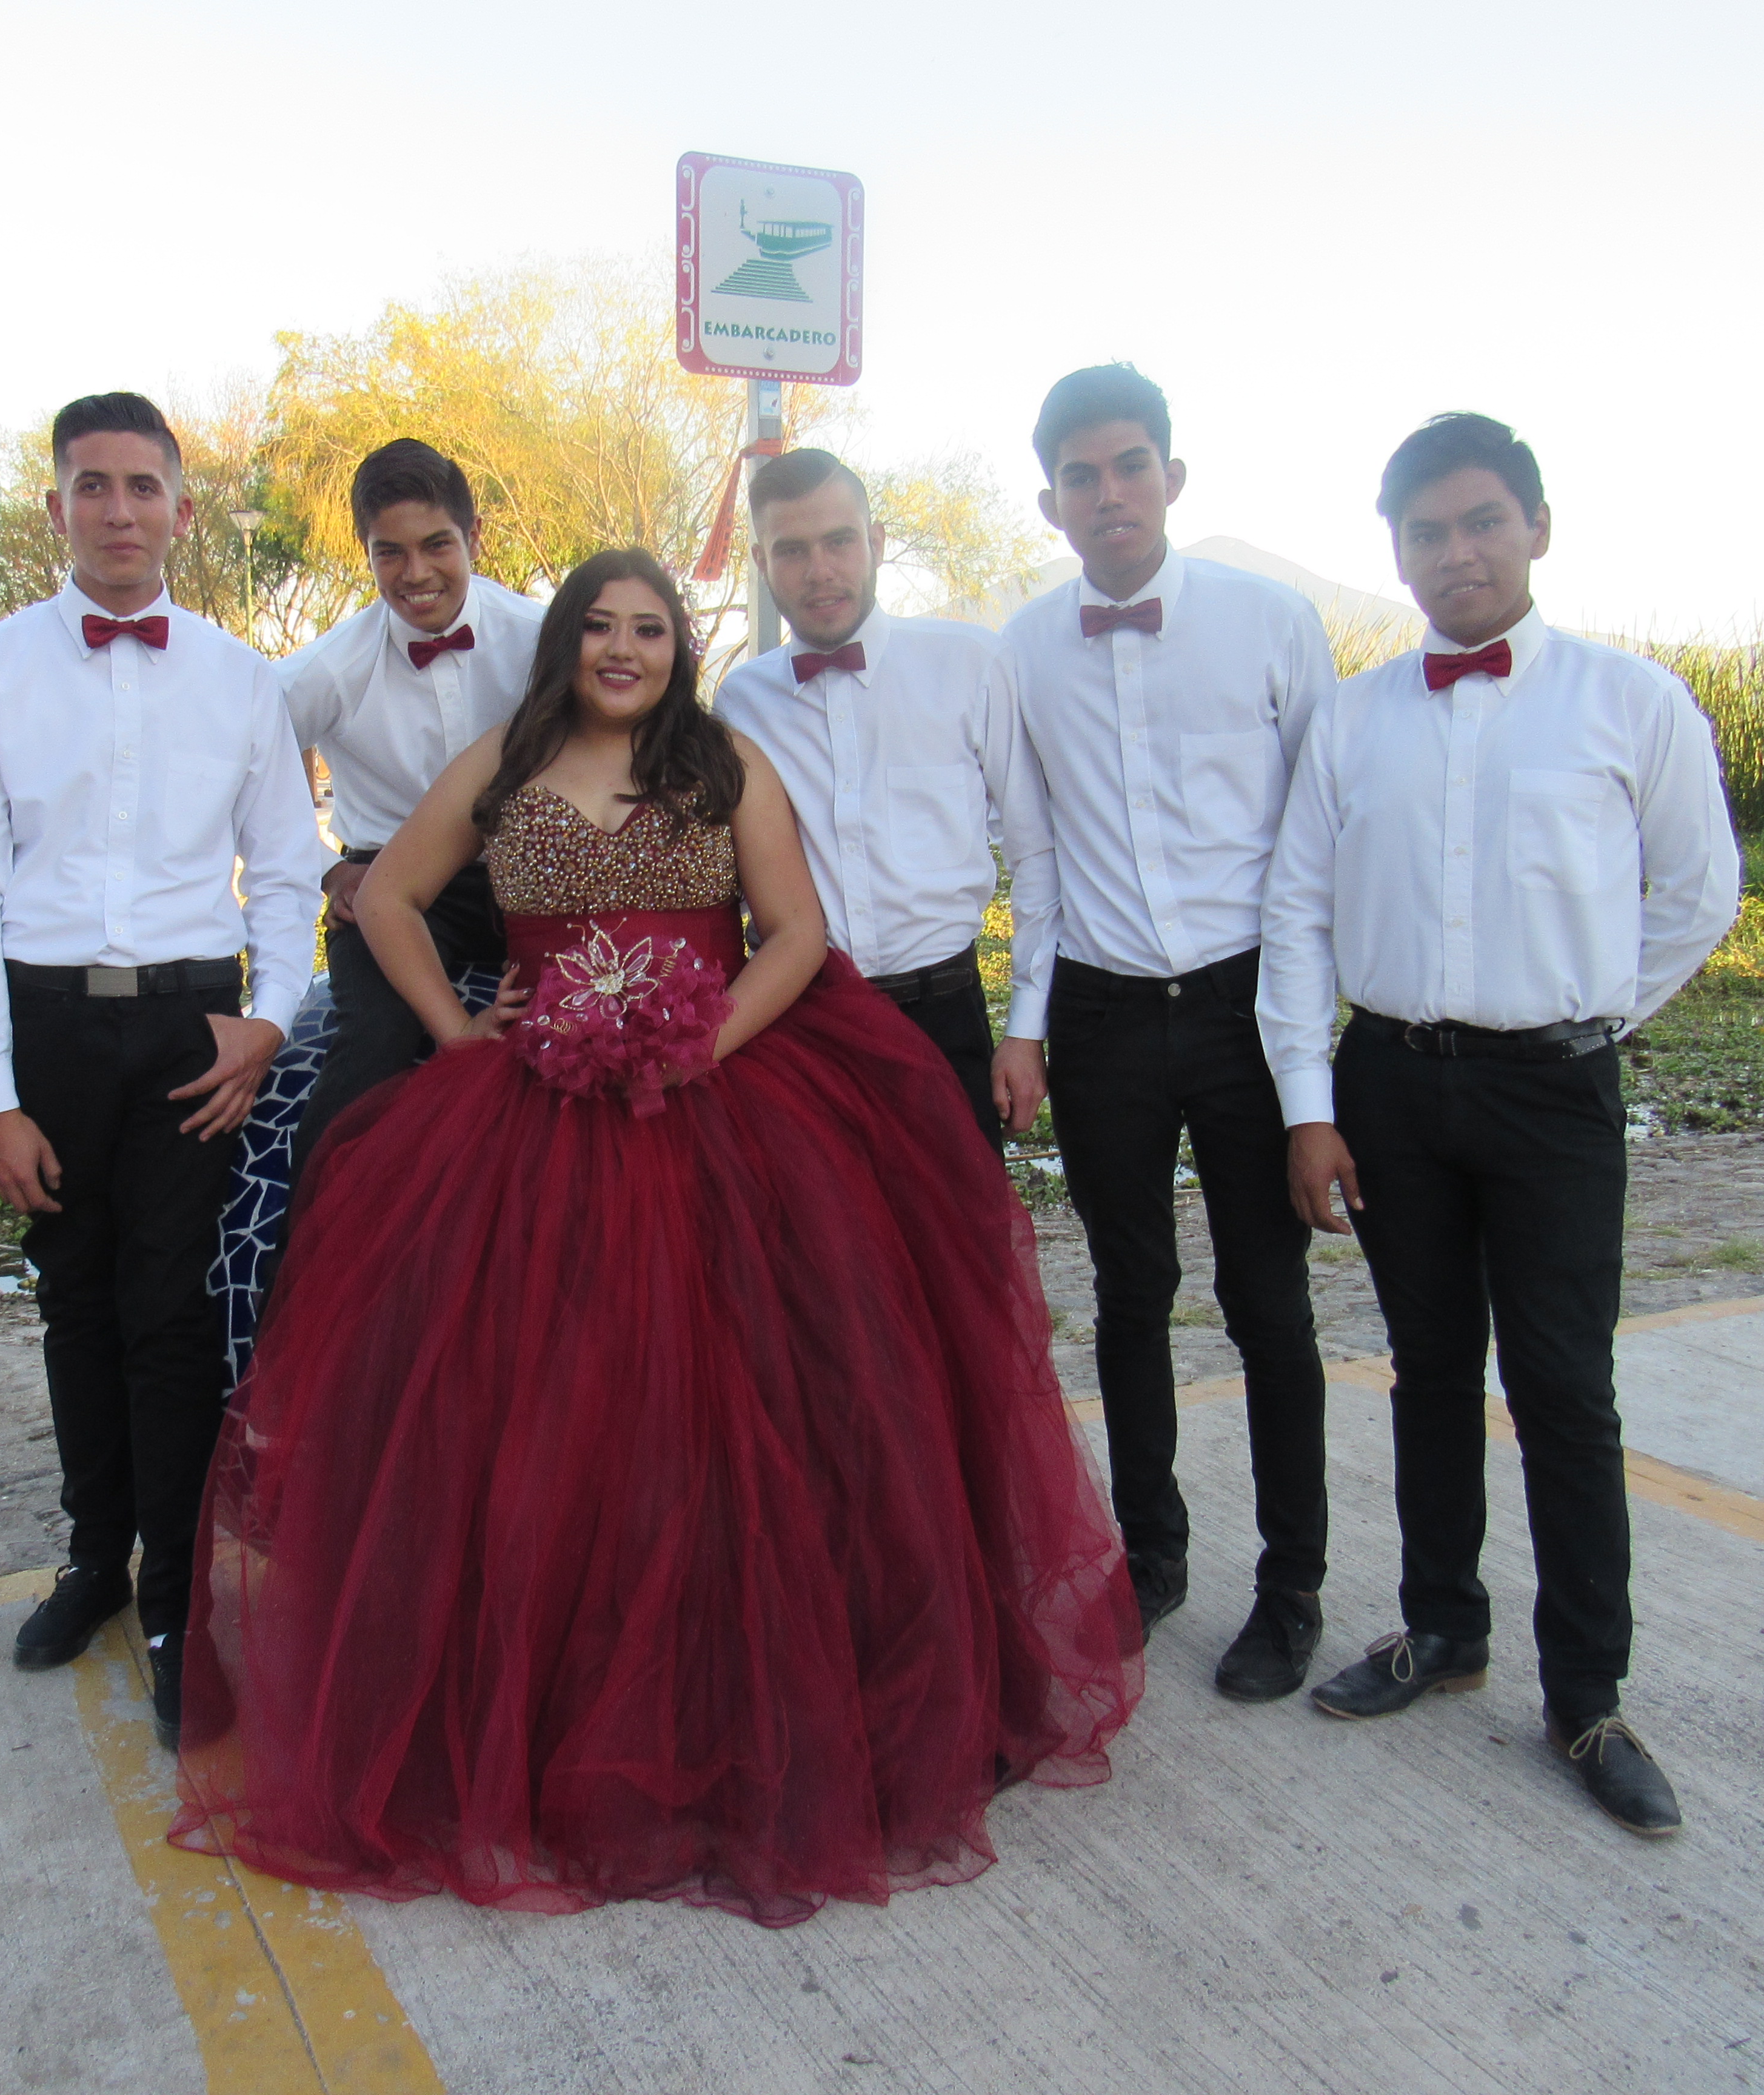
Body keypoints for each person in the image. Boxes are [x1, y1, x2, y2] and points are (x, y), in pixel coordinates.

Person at [173, 549, 1140, 1926]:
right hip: (533, 1116)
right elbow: (385, 895)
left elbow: (795, 932)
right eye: (599, 626)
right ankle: (548, 1716)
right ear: (563, 639)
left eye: (650, 628)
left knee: (751, 1414)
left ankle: (749, 1707)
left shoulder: (726, 763)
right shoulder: (502, 768)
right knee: (546, 1416)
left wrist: (697, 1040)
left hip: (727, 1108)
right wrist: (457, 1035)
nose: (622, 648)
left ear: (678, 649)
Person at [1260, 412, 1740, 1835]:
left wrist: (1587, 1016)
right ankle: (1441, 1628)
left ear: (1535, 524)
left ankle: (1586, 1696)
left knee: (1565, 1391)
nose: (1454, 552)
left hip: (1554, 1090)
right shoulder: (1353, 716)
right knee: (1426, 1372)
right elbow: (1295, 914)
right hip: (1393, 1082)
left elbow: (1694, 892)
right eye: (1425, 531)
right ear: (1396, 550)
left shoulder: (1629, 702)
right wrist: (1309, 1107)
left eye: (1480, 521)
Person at [0, 393, 325, 1747]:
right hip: (42, 1030)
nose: (117, 511)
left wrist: (270, 1019)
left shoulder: (240, 679)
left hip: (190, 1034)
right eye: (91, 486)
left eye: (142, 486)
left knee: (169, 1315)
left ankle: (173, 1598)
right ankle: (95, 1559)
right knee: (73, 1304)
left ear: (180, 511)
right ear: (56, 507)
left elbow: (289, 870)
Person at [1000, 365, 1337, 1698]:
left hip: (1247, 1006)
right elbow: (1030, 848)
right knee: (1131, 1298)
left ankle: (1294, 1584)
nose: (1109, 493)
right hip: (1102, 1015)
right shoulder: (1021, 648)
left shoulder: (1271, 623)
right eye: (1081, 476)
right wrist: (1026, 1025)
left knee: (1269, 1301)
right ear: (1051, 502)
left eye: (1130, 465)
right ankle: (1149, 1557)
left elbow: (1319, 842)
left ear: (1173, 478)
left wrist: (1314, 1042)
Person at [713, 448, 1052, 1151]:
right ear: (759, 559)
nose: (820, 571)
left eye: (839, 541)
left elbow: (1036, 854)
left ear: (876, 543)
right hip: (807, 1025)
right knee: (821, 1254)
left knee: (959, 1249)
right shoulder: (741, 702)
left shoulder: (970, 664)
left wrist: (1025, 1029)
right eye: (792, 550)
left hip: (944, 1016)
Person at [279, 438, 543, 1169]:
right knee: (374, 1043)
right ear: (366, 555)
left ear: (475, 537)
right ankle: (314, 1249)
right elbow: (241, 769)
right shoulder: (330, 667)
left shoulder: (543, 638)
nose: (416, 573)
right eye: (389, 553)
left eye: (437, 545)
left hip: (532, 877)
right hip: (393, 887)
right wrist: (324, 868)